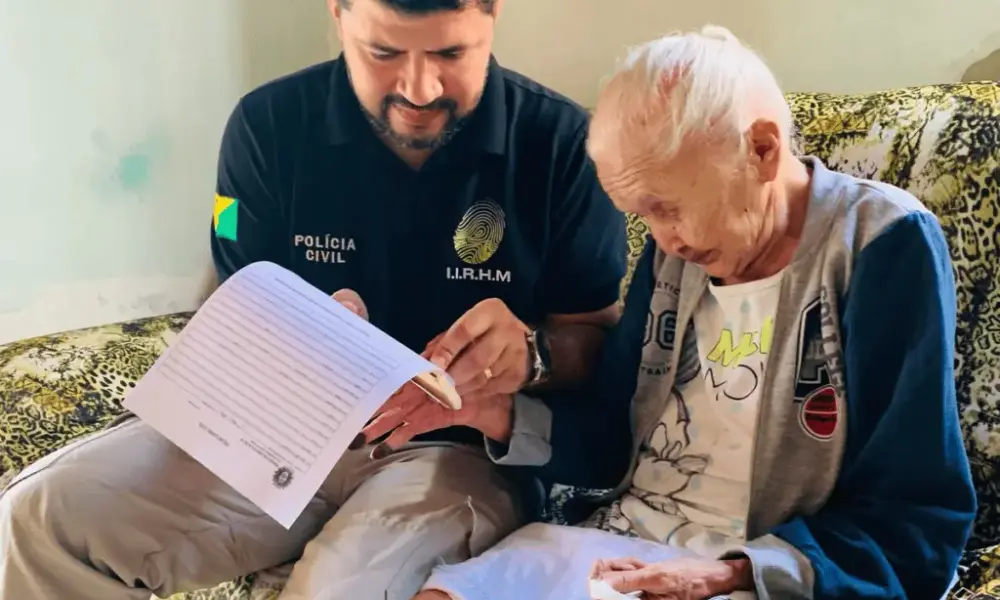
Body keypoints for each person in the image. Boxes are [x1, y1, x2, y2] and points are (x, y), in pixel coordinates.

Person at [0, 1, 627, 599]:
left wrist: (533, 353)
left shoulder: (563, 144)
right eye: (383, 52)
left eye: (450, 54)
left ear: (494, 16)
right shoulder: (265, 125)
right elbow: (230, 298)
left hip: (452, 450)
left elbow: (596, 342)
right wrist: (291, 331)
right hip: (276, 429)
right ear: (337, 15)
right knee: (38, 519)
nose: (419, 88)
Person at [407, 25, 979, 600]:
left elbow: (917, 515)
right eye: (641, 216)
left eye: (669, 209)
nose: (663, 240)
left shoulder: (881, 244)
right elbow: (611, 442)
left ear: (761, 149)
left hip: (768, 565)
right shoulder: (674, 258)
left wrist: (734, 572)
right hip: (622, 541)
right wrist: (495, 411)